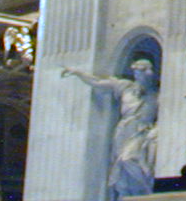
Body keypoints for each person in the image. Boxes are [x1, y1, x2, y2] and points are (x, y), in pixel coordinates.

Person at [63, 57, 159, 201]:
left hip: (141, 132)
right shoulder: (125, 87)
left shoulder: (156, 95)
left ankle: (146, 193)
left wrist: (155, 131)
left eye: (143, 73)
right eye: (137, 73)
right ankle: (127, 195)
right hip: (124, 131)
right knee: (119, 169)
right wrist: (78, 72)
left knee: (128, 159)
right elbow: (97, 82)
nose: (140, 77)